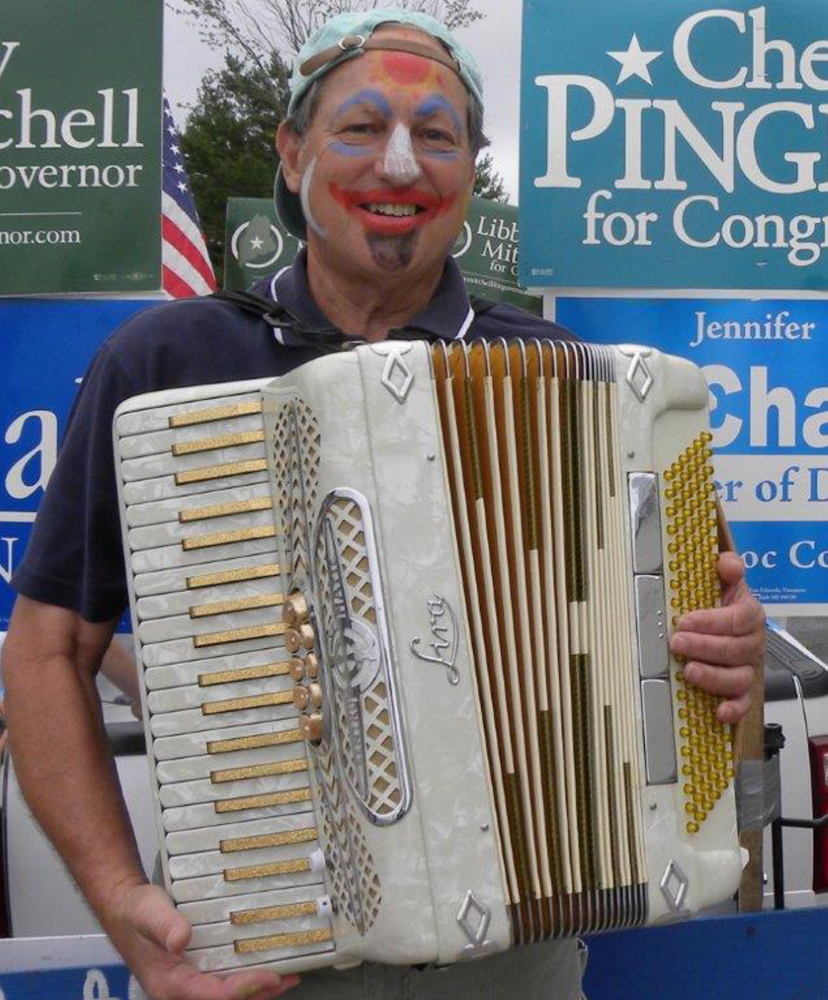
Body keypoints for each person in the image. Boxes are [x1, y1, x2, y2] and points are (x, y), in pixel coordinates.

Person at [1, 10, 764, 1000]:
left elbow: (705, 656)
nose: (401, 165)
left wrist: (726, 653)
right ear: (292, 151)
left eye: (437, 136)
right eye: (361, 128)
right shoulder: (170, 362)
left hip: (515, 965)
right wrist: (120, 905)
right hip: (256, 956)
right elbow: (47, 649)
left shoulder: (580, 388)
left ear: (470, 169)